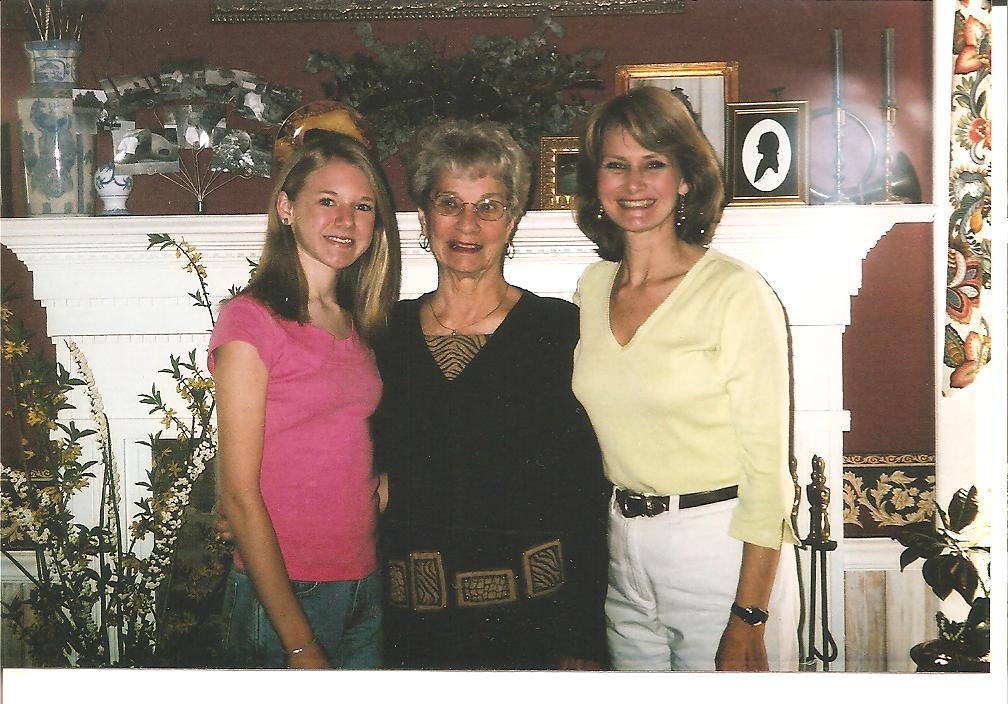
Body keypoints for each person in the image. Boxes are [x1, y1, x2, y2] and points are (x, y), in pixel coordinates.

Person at [570, 86, 800, 672]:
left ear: (686, 179)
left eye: (654, 163)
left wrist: (749, 615)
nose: (634, 183)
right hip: (622, 544)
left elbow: (768, 470)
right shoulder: (592, 289)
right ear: (596, 182)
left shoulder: (735, 292)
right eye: (615, 165)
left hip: (717, 551)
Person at [373, 119, 608, 670]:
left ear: (513, 220)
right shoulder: (383, 333)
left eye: (489, 206)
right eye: (449, 203)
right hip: (409, 629)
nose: (467, 224)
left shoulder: (558, 330)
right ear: (424, 218)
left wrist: (582, 640)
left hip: (534, 623)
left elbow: (585, 491)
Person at [210, 130, 401, 669]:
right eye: (328, 201)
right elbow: (238, 494)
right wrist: (299, 642)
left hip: (363, 580)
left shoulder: (357, 323)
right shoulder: (250, 321)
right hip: (284, 594)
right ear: (287, 208)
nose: (346, 220)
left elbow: (348, 442)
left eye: (363, 206)